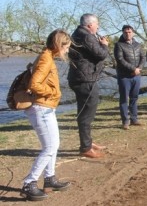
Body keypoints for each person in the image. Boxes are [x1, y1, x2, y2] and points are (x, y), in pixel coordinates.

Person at [21, 29, 72, 201]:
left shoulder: (47, 56)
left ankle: (49, 178)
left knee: (53, 145)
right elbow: (34, 84)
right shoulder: (45, 58)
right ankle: (29, 182)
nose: (67, 51)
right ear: (59, 44)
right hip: (41, 108)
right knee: (50, 147)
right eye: (66, 47)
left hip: (45, 107)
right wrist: (51, 92)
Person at [68, 13, 109, 158]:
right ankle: (85, 147)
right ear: (90, 24)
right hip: (85, 80)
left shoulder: (78, 34)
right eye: (97, 23)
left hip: (82, 78)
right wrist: (104, 45)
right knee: (87, 114)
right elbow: (100, 54)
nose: (98, 26)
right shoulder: (86, 36)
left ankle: (88, 142)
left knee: (84, 112)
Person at [114, 25, 146, 130]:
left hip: (136, 76)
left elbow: (143, 57)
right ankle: (125, 121)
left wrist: (139, 69)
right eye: (125, 32)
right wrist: (133, 69)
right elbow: (120, 59)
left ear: (133, 33)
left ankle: (134, 119)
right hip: (125, 77)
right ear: (123, 33)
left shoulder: (138, 45)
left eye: (129, 32)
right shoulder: (119, 45)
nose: (128, 34)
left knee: (134, 98)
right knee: (124, 99)